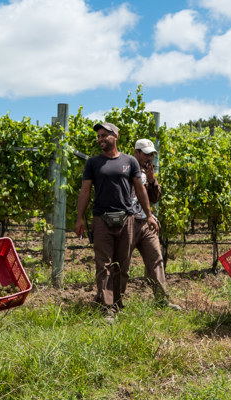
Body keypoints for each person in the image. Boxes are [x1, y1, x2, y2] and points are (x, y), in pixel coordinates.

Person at [75, 122, 158, 322]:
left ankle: (117, 302)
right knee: (103, 265)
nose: (101, 139)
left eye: (105, 135)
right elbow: (85, 191)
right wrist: (80, 217)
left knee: (122, 265)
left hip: (126, 219)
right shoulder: (93, 163)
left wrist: (149, 215)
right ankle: (107, 308)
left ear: (115, 136)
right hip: (101, 219)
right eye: (99, 136)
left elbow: (140, 190)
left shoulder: (130, 161)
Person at [125, 138, 180, 310]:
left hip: (146, 223)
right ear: (137, 153)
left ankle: (162, 300)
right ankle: (114, 302)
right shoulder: (125, 169)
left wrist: (152, 180)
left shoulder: (149, 172)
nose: (149, 158)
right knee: (122, 262)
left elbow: (155, 198)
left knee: (156, 259)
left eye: (152, 154)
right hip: (128, 222)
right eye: (146, 154)